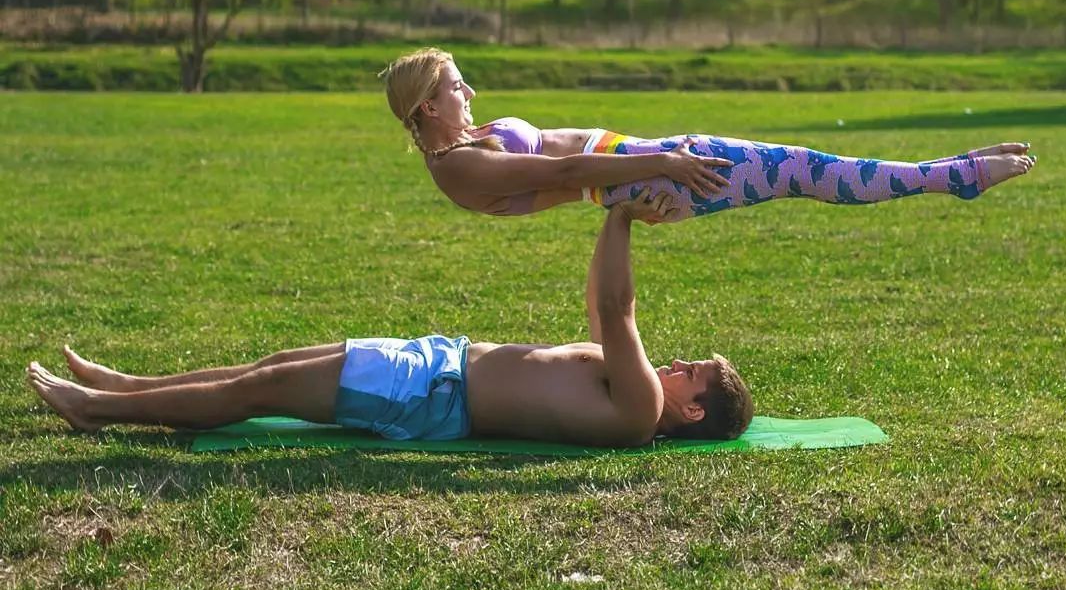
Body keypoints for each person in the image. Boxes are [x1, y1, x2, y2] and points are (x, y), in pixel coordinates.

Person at [26, 193, 753, 447]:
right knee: (271, 365)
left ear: (692, 410)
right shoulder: (634, 394)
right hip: (437, 364)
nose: (678, 364)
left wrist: (624, 213)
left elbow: (617, 310)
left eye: (695, 373)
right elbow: (600, 303)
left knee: (262, 391)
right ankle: (126, 385)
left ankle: (98, 410)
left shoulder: (640, 408)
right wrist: (610, 214)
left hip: (431, 394)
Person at [381, 47, 1036, 220]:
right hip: (662, 172)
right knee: (807, 170)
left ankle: (957, 172)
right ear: (428, 108)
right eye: (456, 87)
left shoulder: (465, 144)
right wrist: (664, 162)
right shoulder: (458, 167)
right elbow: (563, 173)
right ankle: (957, 176)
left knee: (805, 169)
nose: (470, 93)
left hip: (654, 166)